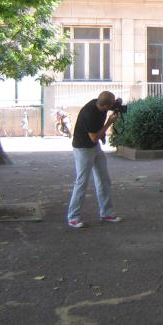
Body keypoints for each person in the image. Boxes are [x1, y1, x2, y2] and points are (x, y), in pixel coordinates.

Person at [67, 91, 122, 228]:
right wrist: (109, 122)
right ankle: (73, 217)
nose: (111, 107)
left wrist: (118, 104)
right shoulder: (89, 114)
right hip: (83, 149)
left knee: (104, 179)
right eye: (110, 106)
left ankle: (106, 213)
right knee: (82, 182)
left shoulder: (99, 102)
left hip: (95, 147)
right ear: (105, 106)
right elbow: (94, 137)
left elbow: (113, 103)